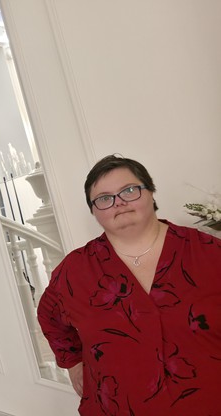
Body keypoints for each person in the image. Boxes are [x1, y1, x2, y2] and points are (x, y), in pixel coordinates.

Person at [37, 155, 221, 415]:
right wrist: (73, 362)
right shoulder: (75, 270)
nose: (119, 202)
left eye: (129, 190)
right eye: (104, 198)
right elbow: (49, 316)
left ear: (151, 192)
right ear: (94, 210)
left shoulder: (209, 253)